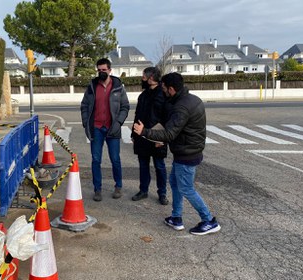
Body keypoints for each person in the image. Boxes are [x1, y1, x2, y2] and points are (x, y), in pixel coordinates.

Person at [133, 72, 221, 235]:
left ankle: (208, 220)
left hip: (187, 153)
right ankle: (176, 217)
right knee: (174, 182)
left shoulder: (181, 107)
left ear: (171, 89)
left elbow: (169, 133)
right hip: (187, 150)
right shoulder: (191, 99)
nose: (163, 90)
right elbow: (179, 129)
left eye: (164, 88)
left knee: (186, 188)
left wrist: (144, 132)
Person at [80, 58, 130, 202]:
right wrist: (85, 122)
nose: (101, 72)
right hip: (96, 129)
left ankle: (118, 186)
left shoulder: (118, 87)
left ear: (110, 70)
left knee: (115, 159)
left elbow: (125, 107)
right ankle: (97, 189)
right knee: (96, 160)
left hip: (112, 129)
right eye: (99, 70)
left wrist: (118, 122)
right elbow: (84, 106)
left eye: (104, 70)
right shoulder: (92, 87)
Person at [131, 67, 169, 205]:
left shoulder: (163, 94)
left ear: (151, 77)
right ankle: (143, 190)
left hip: (158, 136)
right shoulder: (143, 95)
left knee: (159, 165)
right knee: (143, 165)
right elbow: (137, 115)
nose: (142, 78)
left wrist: (163, 139)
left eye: (143, 75)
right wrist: (133, 134)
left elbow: (167, 117)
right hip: (141, 136)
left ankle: (162, 193)